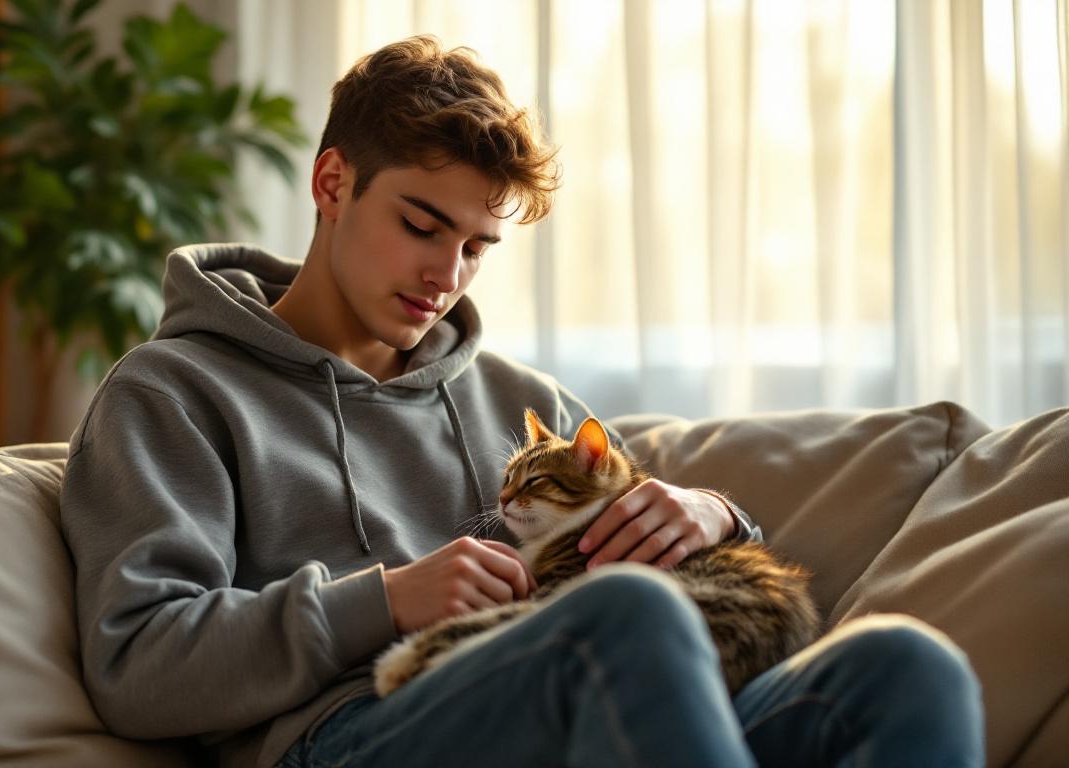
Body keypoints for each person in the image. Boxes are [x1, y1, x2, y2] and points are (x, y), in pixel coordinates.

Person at [59, 35, 984, 768]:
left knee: (904, 665)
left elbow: (658, 583)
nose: (446, 276)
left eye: (476, 247)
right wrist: (384, 601)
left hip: (578, 695)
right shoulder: (173, 392)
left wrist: (714, 516)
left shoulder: (525, 399)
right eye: (422, 225)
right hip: (346, 734)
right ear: (333, 183)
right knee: (627, 619)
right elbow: (137, 665)